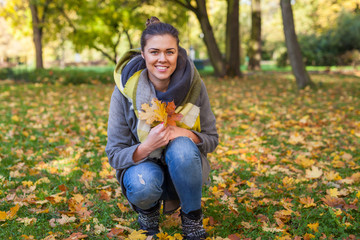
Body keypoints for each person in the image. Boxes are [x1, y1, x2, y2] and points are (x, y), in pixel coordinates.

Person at [105, 16, 218, 239]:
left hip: (186, 168)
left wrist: (183, 133)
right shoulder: (124, 91)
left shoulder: (194, 85)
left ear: (178, 53)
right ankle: (148, 213)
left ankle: (192, 220)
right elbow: (115, 155)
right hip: (143, 169)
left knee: (183, 148)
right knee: (144, 183)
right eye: (154, 52)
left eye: (170, 52)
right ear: (143, 54)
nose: (162, 59)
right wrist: (146, 147)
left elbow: (212, 138)